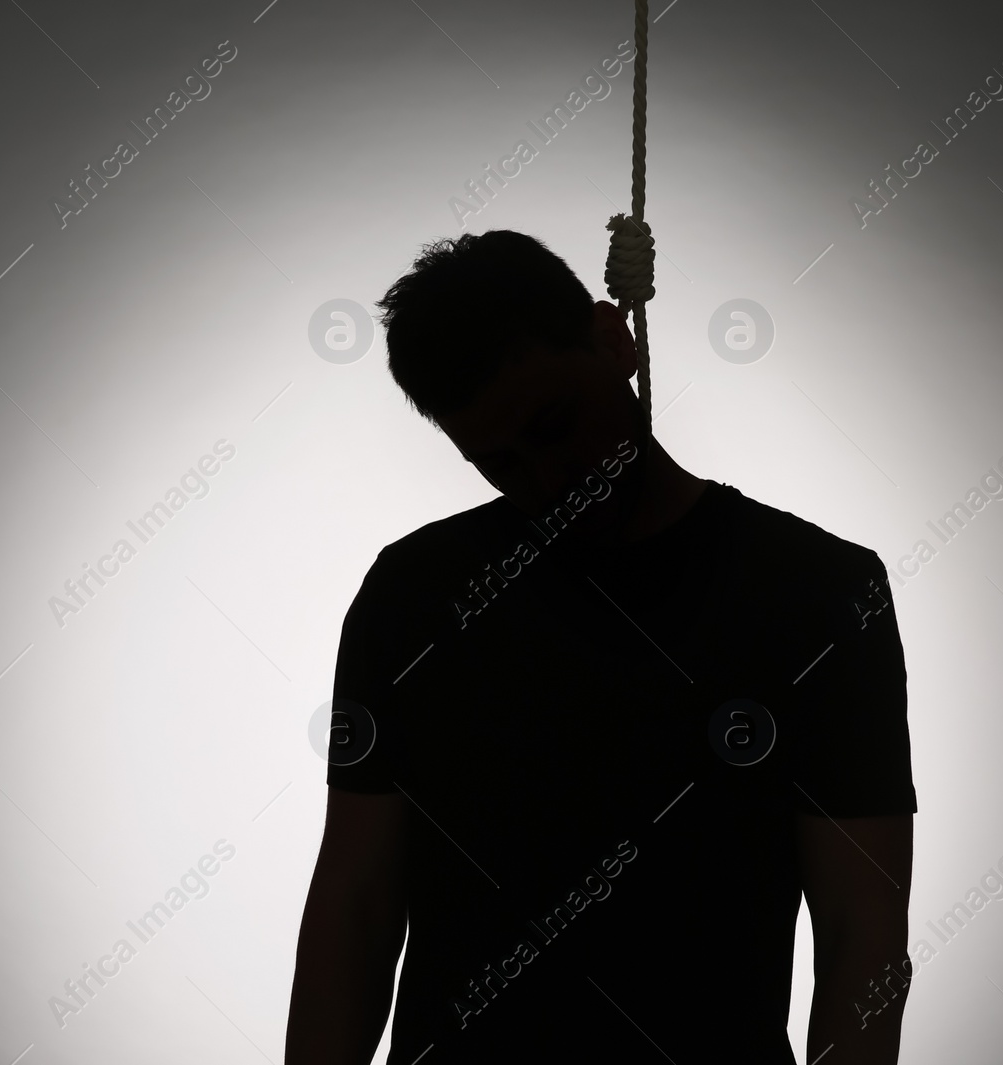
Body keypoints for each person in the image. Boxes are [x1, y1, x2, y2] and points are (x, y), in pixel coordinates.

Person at [285, 230, 916, 1065]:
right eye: (499, 463)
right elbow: (354, 909)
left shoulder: (822, 595)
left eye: (553, 425)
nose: (547, 482)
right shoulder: (412, 595)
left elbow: (862, 933)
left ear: (613, 338)